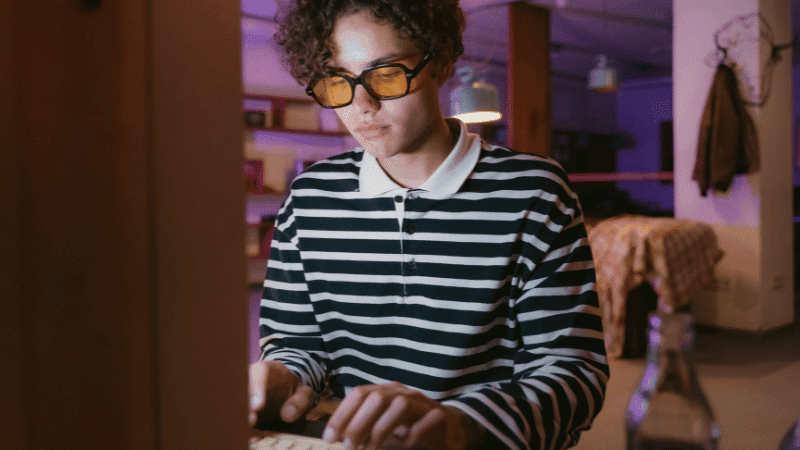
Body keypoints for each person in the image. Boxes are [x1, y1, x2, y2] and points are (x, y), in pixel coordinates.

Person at [248, 1, 609, 449]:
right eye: (336, 81)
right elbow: (299, 343)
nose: (362, 105)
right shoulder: (309, 197)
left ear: (439, 62)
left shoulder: (535, 192)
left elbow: (573, 373)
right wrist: (283, 374)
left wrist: (458, 425)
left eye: (386, 74)